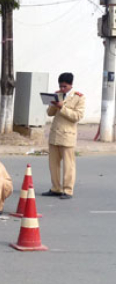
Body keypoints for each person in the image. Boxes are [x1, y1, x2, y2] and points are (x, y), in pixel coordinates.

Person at [41, 72, 86, 200]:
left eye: (64, 87)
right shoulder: (58, 95)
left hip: (67, 135)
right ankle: (56, 188)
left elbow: (77, 116)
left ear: (71, 85)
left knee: (68, 165)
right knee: (53, 164)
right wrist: (53, 102)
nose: (62, 89)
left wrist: (62, 107)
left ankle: (67, 190)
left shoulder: (79, 97)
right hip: (55, 134)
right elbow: (49, 113)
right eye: (60, 86)